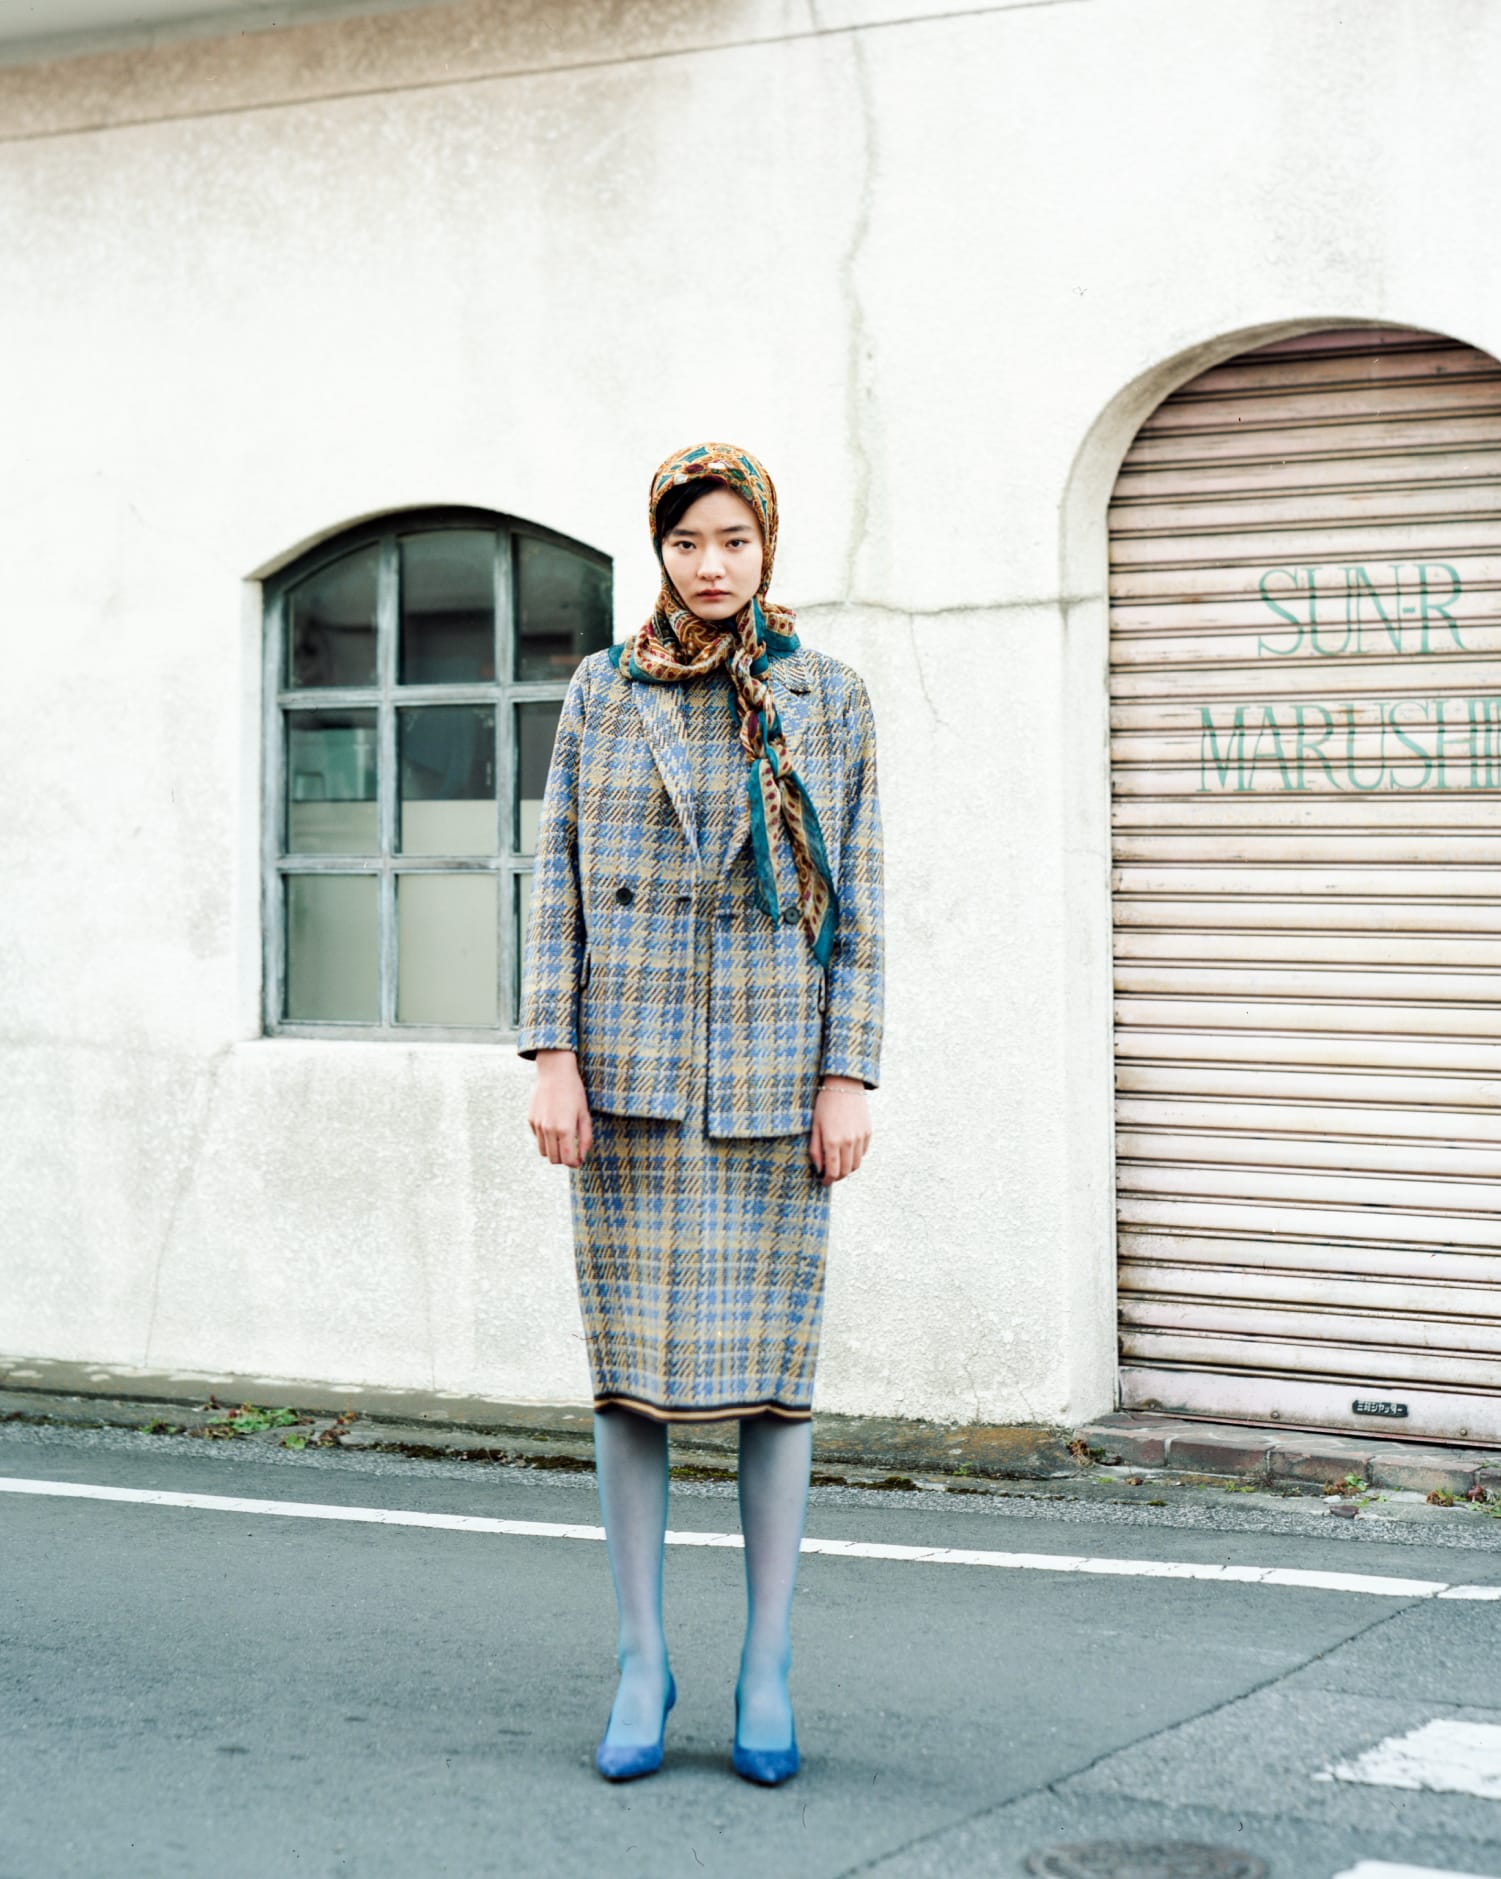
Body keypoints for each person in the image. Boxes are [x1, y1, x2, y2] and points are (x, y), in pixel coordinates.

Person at [517, 441, 884, 1787]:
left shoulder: (826, 697)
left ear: (766, 544)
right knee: (629, 1386)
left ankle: (766, 1663)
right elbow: (554, 877)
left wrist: (848, 1073)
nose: (711, 564)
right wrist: (552, 1053)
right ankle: (640, 1659)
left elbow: (860, 901)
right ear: (659, 551)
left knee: (774, 1388)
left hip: (772, 1077)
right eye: (686, 542)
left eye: (733, 539)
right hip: (629, 1078)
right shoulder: (601, 689)